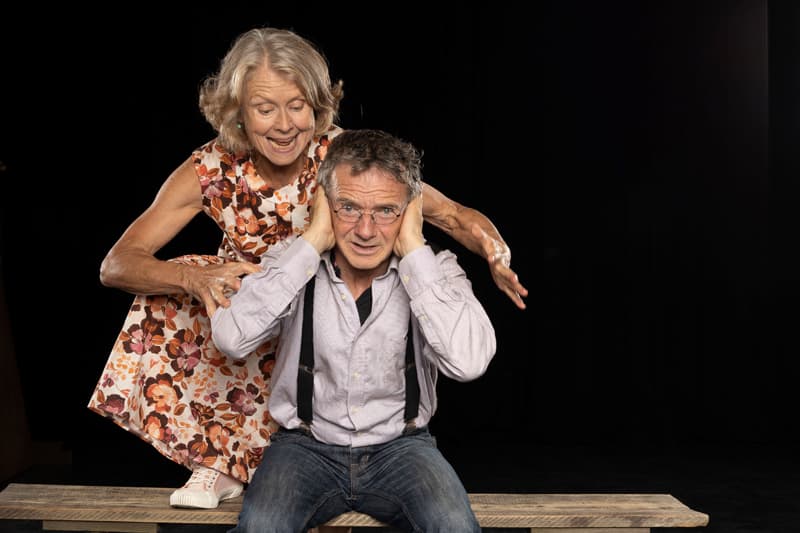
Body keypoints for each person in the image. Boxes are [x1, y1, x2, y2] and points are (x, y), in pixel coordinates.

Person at [87, 26, 525, 510]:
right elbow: (118, 264)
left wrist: (496, 252)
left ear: (316, 106)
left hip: (326, 309)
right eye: (264, 108)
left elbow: (451, 215)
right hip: (253, 309)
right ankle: (219, 457)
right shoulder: (209, 168)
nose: (283, 125)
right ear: (237, 112)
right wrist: (193, 279)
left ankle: (309, 455)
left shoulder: (343, 158)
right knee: (191, 279)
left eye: (296, 106)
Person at [213, 128, 493, 532]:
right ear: (325, 204)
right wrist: (312, 241)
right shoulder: (291, 262)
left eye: (386, 210)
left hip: (402, 450)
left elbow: (469, 363)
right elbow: (231, 338)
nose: (365, 230)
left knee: (454, 526)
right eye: (348, 207)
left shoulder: (436, 270)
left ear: (410, 211)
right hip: (303, 448)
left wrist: (414, 251)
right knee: (261, 526)